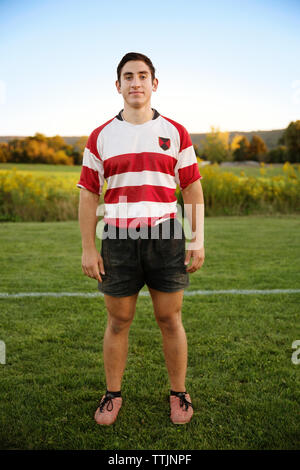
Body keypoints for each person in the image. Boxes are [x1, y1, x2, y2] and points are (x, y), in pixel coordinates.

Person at [77, 52, 205, 426]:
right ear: (118, 86)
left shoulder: (176, 132)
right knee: (118, 320)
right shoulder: (100, 136)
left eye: (143, 76)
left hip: (165, 236)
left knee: (170, 317)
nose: (136, 83)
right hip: (117, 237)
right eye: (128, 77)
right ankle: (112, 394)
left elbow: (192, 189)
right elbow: (88, 193)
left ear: (154, 84)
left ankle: (179, 393)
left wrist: (196, 238)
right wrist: (88, 247)